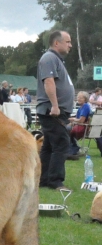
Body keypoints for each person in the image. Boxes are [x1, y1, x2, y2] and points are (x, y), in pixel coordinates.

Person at [36, 30, 74, 190]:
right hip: (52, 111)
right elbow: (49, 82)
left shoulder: (56, 59)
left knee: (50, 146)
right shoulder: (49, 58)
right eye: (68, 41)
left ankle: (43, 179)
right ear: (56, 43)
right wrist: (55, 106)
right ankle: (55, 181)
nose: (70, 45)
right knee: (61, 144)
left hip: (55, 110)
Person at [67, 91, 92, 159]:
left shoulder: (85, 106)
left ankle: (73, 149)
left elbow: (81, 120)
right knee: (65, 128)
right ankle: (72, 148)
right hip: (78, 126)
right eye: (78, 97)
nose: (79, 99)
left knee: (66, 130)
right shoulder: (81, 107)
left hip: (82, 128)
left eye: (81, 98)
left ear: (85, 99)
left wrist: (73, 120)